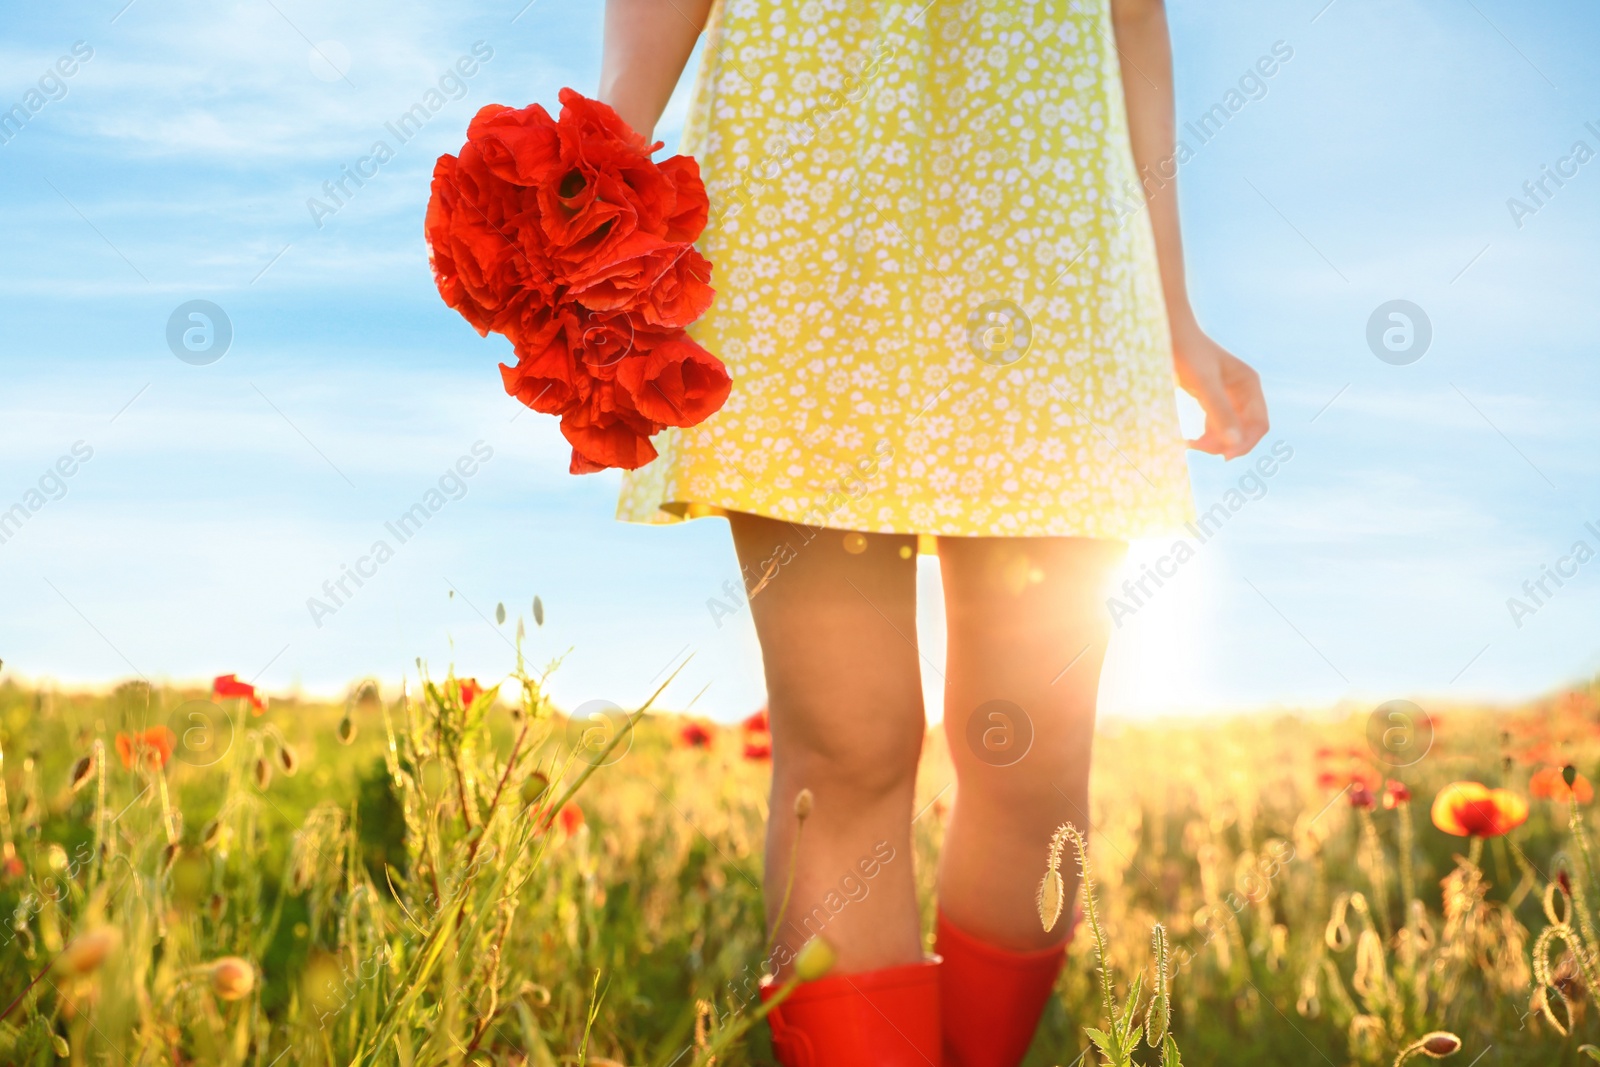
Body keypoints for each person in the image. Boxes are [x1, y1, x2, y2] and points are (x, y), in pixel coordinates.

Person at [601, 0, 1268, 1063]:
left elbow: (1134, 18)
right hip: (804, 199)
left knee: (1033, 747)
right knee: (844, 745)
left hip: (1048, 234)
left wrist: (1171, 310)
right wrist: (593, 174)